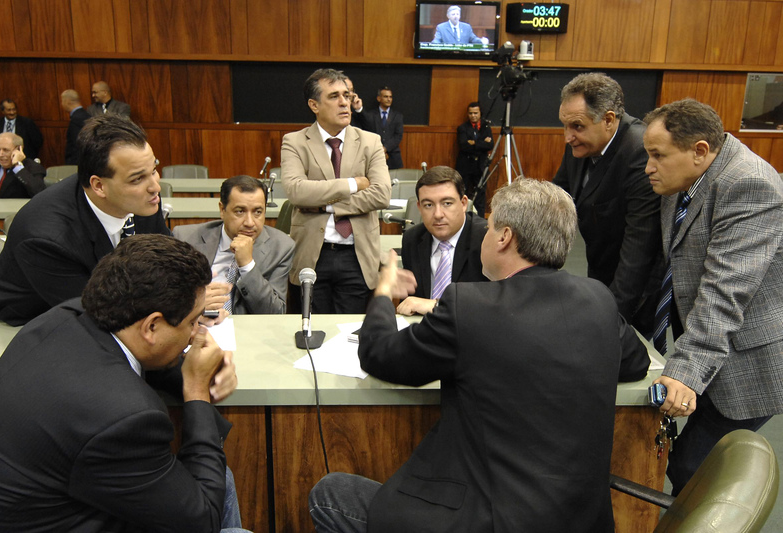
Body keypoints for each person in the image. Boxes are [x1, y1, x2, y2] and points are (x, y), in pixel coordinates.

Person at [309, 178, 649, 533]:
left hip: (488, 520)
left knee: (330, 494)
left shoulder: (469, 306)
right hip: (582, 521)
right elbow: (635, 362)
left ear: (504, 237)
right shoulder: (598, 299)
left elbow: (380, 355)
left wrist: (382, 294)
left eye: (489, 227)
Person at [0, 234, 248, 532]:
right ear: (151, 326)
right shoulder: (125, 419)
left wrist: (193, 369)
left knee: (218, 477)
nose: (197, 333)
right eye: (192, 322)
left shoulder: (66, 316)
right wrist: (197, 390)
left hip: (29, 499)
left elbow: (143, 356)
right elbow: (202, 523)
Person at [643, 98, 783, 496]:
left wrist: (686, 371)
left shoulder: (749, 184)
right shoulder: (685, 176)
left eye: (657, 155)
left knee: (693, 467)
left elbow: (726, 290)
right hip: (707, 345)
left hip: (748, 360)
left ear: (700, 150)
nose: (648, 167)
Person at [0, 114, 169, 326]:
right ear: (99, 186)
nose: (155, 186)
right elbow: (100, 313)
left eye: (153, 170)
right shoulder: (45, 237)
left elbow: (166, 264)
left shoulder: (143, 198)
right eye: (138, 178)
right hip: (34, 325)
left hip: (119, 309)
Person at [553, 73, 662, 335]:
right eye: (565, 126)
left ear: (609, 120)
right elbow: (556, 197)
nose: (568, 136)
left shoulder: (639, 151)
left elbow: (638, 248)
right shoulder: (581, 142)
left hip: (635, 291)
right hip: (600, 271)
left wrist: (611, 320)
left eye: (577, 126)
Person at [281, 68, 391, 314]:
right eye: (334, 96)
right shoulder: (294, 142)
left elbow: (381, 194)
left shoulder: (370, 141)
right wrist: (353, 184)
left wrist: (325, 205)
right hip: (312, 255)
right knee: (312, 330)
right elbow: (297, 191)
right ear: (314, 105)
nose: (344, 102)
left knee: (350, 331)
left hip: (357, 254)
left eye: (347, 95)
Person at [173, 175, 295, 315]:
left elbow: (275, 313)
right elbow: (167, 298)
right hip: (198, 324)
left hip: (248, 327)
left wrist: (247, 265)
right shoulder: (186, 239)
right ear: (222, 210)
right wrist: (195, 304)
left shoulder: (281, 247)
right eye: (240, 211)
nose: (249, 222)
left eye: (258, 212)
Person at [397, 166, 487, 316]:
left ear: (464, 203)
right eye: (428, 205)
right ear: (419, 207)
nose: (438, 214)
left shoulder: (485, 238)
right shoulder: (412, 239)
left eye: (447, 203)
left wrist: (437, 305)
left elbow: (495, 301)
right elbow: (409, 304)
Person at [455, 101, 493, 215]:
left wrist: (474, 142)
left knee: (480, 195)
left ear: (480, 113)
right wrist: (482, 143)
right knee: (462, 193)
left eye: (475, 113)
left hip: (480, 166)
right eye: (471, 113)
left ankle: (479, 219)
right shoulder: (462, 128)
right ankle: (461, 217)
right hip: (465, 165)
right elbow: (464, 146)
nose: (473, 115)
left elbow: (490, 145)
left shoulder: (486, 127)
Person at [0, 132, 46, 198]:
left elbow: (40, 193)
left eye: (6, 150)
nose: (0, 154)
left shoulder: (33, 167)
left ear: (18, 150)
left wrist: (18, 167)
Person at [363, 86, 403, 170]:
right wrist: (379, 149)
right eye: (385, 96)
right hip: (374, 155)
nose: (389, 99)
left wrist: (385, 148)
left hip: (393, 157)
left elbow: (398, 136)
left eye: (390, 97)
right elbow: (368, 133)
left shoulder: (397, 116)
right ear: (379, 98)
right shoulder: (371, 115)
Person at [61, 89, 91, 165]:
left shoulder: (76, 119)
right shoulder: (86, 115)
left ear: (67, 101)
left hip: (77, 164)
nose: (61, 104)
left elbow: (76, 146)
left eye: (62, 101)